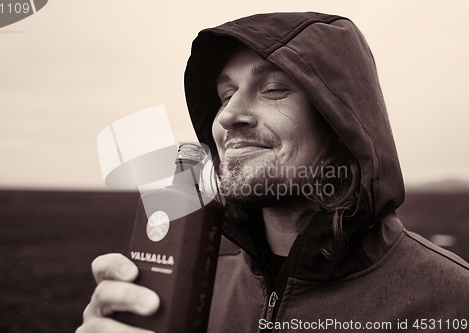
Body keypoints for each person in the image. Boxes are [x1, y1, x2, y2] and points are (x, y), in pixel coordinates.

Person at [78, 12, 469, 333]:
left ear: (340, 124)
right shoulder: (197, 290)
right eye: (225, 95)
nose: (228, 116)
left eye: (274, 90)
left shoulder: (451, 302)